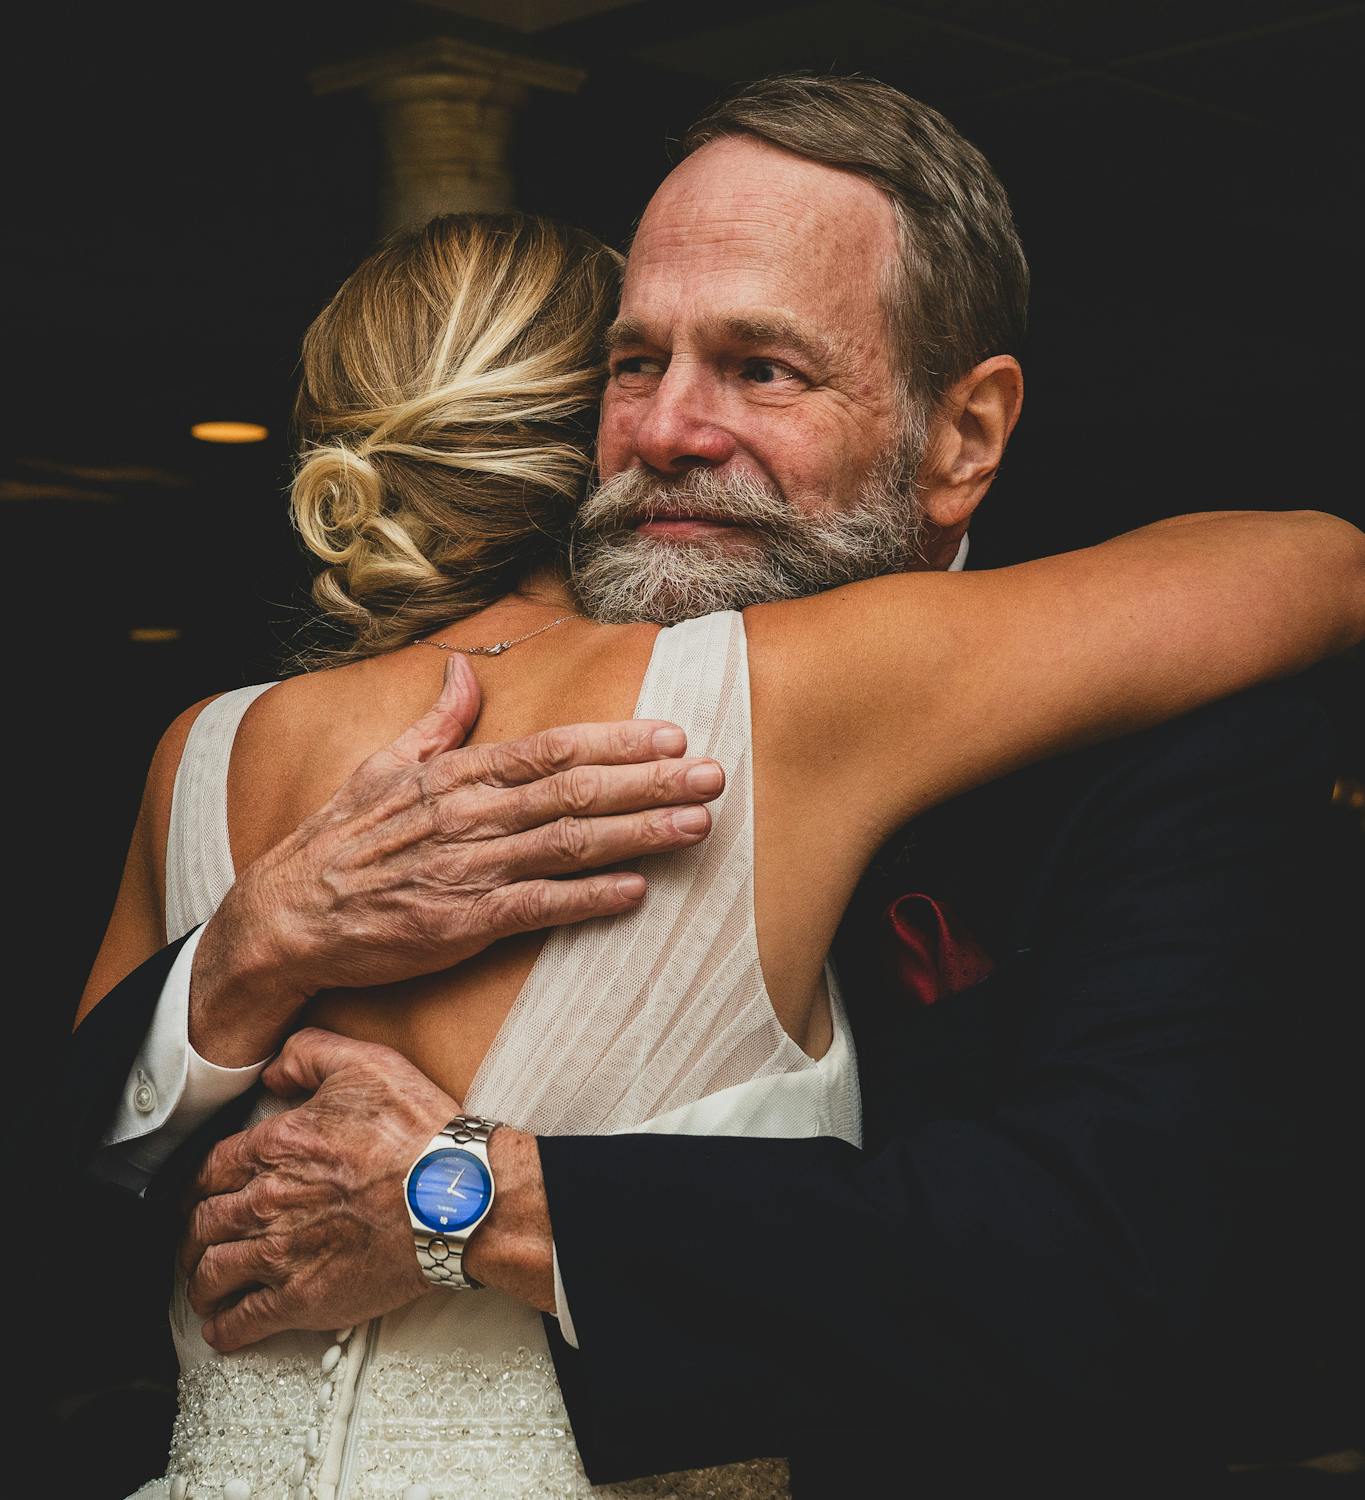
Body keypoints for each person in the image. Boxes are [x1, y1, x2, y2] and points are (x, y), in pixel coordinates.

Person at [67, 78, 1362, 1498]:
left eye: (761, 368)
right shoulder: (760, 686)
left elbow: (1131, 1268)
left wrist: (462, 1196)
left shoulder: (1142, 742)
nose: (671, 428)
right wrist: (243, 955)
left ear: (966, 439)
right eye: (633, 364)